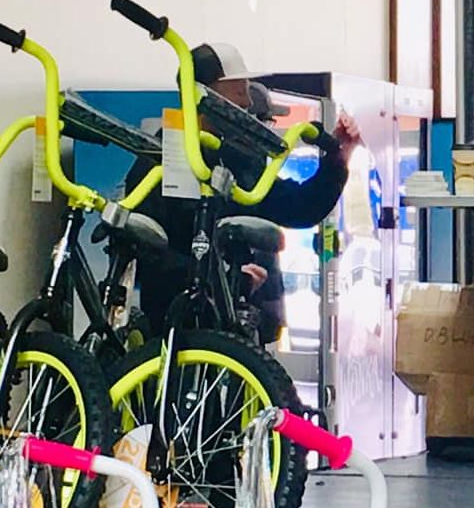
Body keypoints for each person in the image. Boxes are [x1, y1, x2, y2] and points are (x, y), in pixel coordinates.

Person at [124, 42, 360, 344]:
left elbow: (299, 207)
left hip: (232, 328)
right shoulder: (158, 160)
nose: (249, 104)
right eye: (239, 93)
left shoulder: (237, 158)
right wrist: (220, 277)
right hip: (172, 332)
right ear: (206, 96)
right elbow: (148, 254)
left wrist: (337, 161)